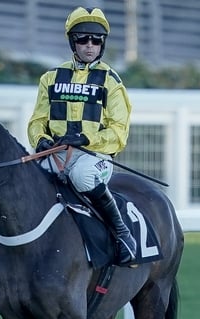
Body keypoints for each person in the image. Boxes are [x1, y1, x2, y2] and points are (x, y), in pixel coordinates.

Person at [27, 6, 137, 266]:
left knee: (81, 177)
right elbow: (37, 120)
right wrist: (40, 140)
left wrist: (88, 140)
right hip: (56, 152)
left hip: (94, 156)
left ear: (103, 44)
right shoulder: (51, 78)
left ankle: (123, 234)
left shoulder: (111, 81)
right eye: (82, 39)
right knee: (29, 179)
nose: (90, 46)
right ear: (72, 42)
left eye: (96, 40)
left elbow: (119, 131)